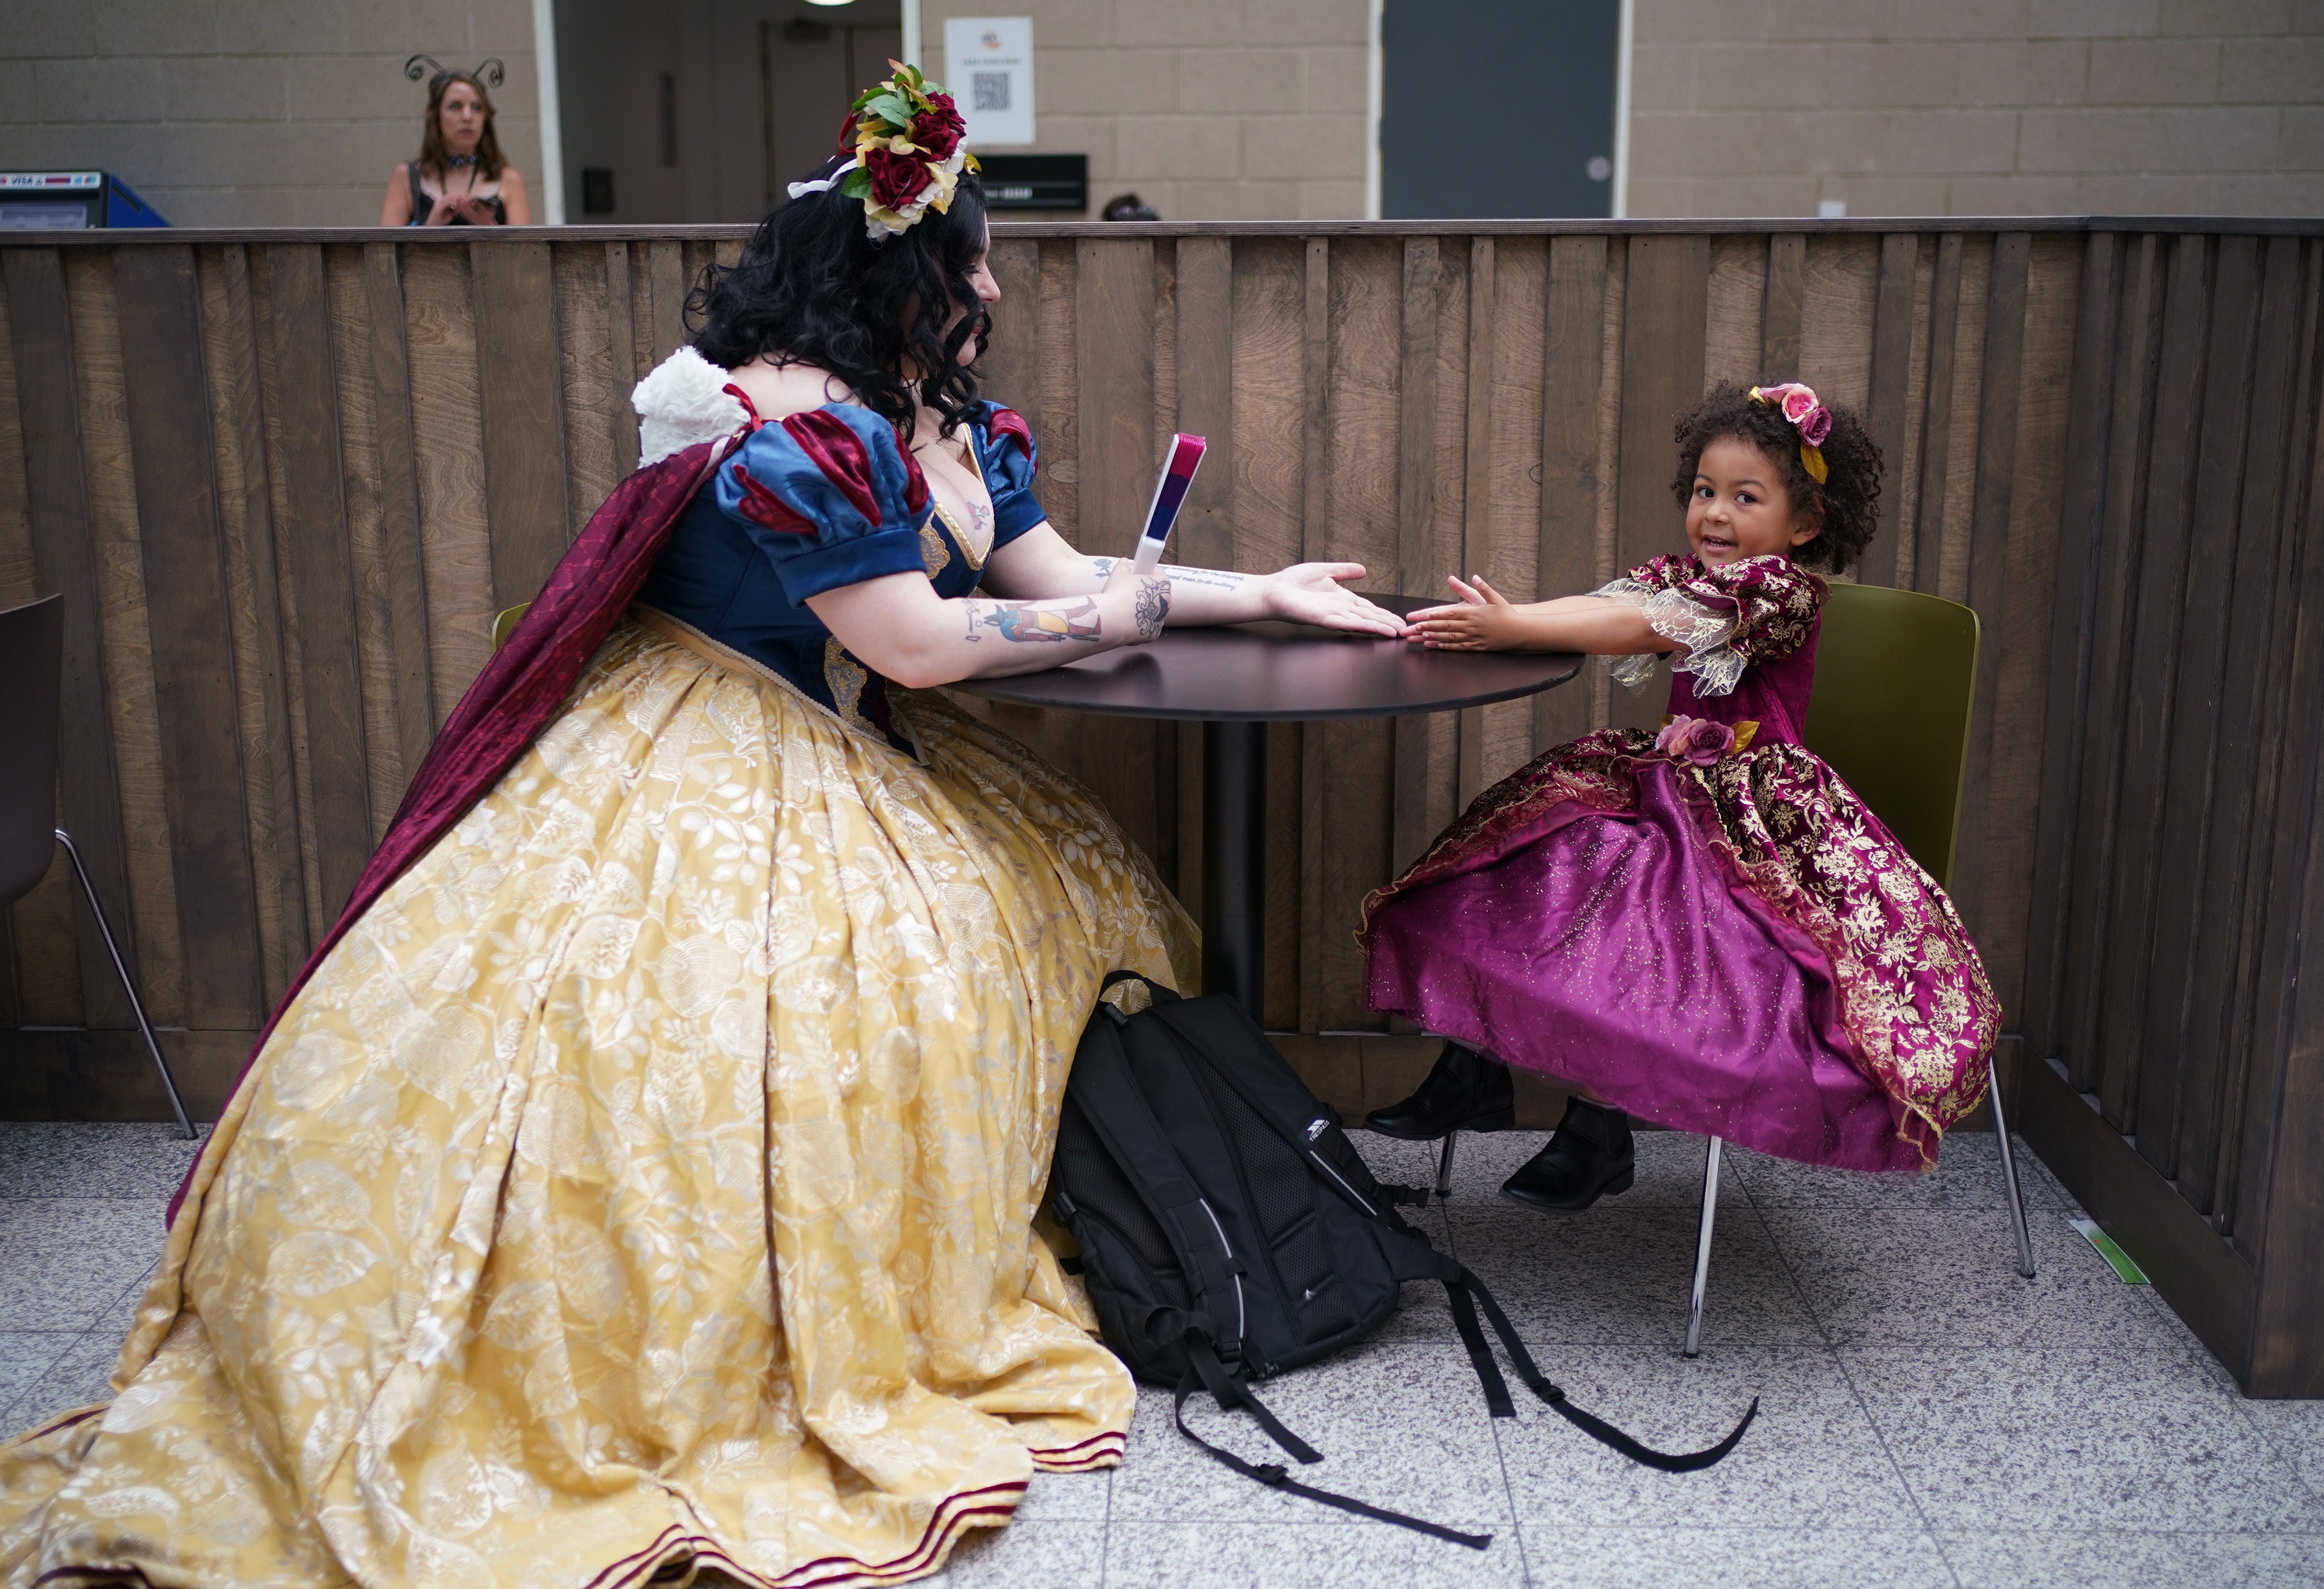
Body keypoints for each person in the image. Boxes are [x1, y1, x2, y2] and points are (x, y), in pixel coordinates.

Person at [0, 66, 1398, 1589]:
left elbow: (1057, 584)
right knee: (694, 1025)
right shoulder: (799, 431)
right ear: (893, 277)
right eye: (969, 258)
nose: (992, 282)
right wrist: (1118, 613)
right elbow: (927, 646)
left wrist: (1251, 590)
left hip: (829, 725)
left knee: (1019, 918)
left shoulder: (946, 422)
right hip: (703, 734)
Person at [1360, 383, 1999, 1210]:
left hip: (1754, 812)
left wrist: (1516, 629)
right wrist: (1516, 614)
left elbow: (1652, 628)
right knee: (1527, 861)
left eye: (1745, 496)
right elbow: (1613, 605)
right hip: (1666, 783)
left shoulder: (1775, 591)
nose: (1716, 515)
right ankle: (1473, 1065)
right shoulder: (1689, 574)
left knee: (1651, 918)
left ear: (1803, 525)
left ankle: (1597, 1126)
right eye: (1703, 492)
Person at [379, 58, 530, 227]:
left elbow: (524, 253)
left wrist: (490, 229)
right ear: (436, 117)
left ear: (485, 118)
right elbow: (386, 252)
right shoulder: (406, 176)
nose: (467, 117)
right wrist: (430, 227)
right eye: (456, 106)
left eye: (476, 107)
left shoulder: (509, 180)